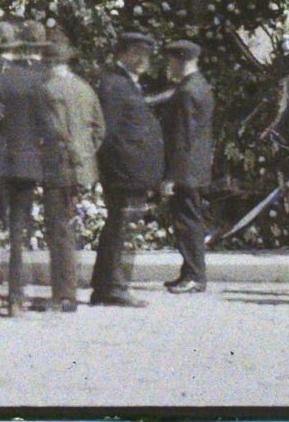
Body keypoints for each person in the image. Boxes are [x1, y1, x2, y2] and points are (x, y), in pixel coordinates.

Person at [90, 31, 164, 307]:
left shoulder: (125, 84)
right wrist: (119, 168)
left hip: (130, 171)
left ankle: (106, 286)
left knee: (120, 227)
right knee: (122, 228)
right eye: (136, 53)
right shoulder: (115, 85)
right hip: (123, 172)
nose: (143, 59)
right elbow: (107, 132)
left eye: (146, 54)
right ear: (121, 53)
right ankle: (114, 287)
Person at [0, 21, 49, 316]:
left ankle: (13, 297)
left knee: (12, 230)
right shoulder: (41, 81)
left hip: (3, 160)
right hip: (31, 161)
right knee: (23, 230)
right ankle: (21, 294)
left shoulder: (1, 80)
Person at [38, 27, 104, 314]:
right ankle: (67, 291)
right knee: (68, 228)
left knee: (59, 231)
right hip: (82, 168)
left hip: (57, 167)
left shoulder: (47, 90)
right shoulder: (84, 88)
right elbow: (99, 129)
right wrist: (86, 155)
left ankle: (64, 294)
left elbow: (46, 131)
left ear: (49, 62)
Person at [158, 39, 216, 295]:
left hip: (185, 168)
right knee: (190, 219)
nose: (169, 66)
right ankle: (189, 271)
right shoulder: (199, 85)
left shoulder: (186, 92)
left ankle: (194, 275)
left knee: (187, 223)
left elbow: (182, 137)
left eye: (171, 61)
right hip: (195, 166)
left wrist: (171, 175)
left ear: (181, 60)